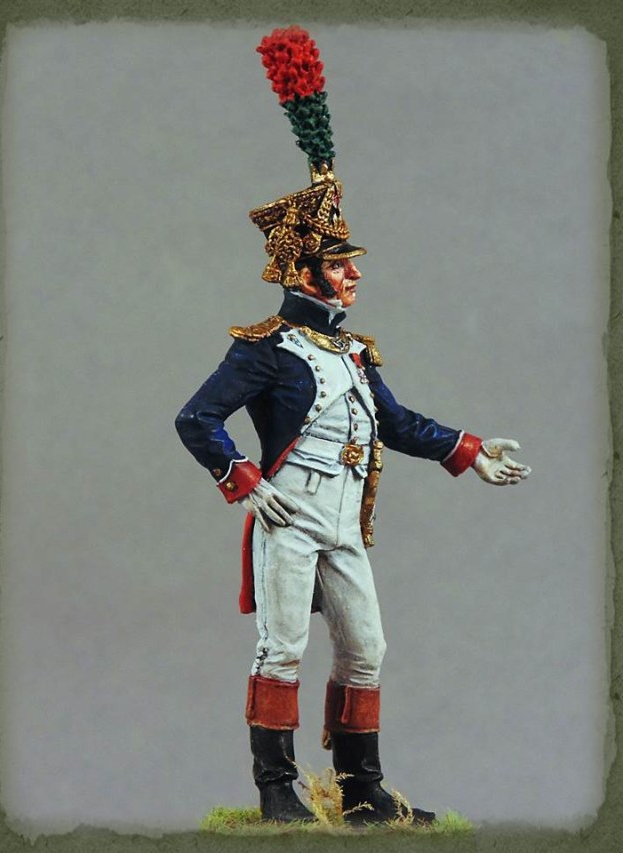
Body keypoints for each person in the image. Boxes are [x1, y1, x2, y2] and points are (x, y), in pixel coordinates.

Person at [175, 26, 531, 826]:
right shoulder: (266, 349)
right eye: (339, 263)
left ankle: (363, 788)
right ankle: (277, 790)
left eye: (350, 262)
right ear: (304, 273)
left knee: (366, 648)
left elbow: (395, 423)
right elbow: (196, 417)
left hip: (345, 523)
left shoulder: (355, 353)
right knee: (282, 648)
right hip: (290, 515)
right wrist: (243, 479)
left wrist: (469, 449)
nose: (354, 273)